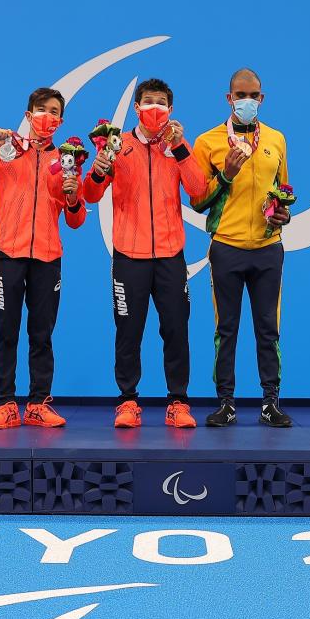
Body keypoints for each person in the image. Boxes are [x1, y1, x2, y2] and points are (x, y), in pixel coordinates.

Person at [0, 87, 85, 429]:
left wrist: (73, 197)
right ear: (29, 115)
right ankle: (5, 405)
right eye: (41, 110)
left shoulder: (67, 160)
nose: (47, 116)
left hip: (47, 256)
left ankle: (38, 404)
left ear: (60, 120)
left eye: (54, 111)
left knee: (42, 334)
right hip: (6, 254)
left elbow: (75, 220)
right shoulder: (6, 151)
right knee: (6, 331)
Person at [82, 78, 207, 428]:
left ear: (171, 109)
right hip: (128, 256)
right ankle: (127, 401)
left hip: (170, 255)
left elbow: (198, 192)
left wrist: (180, 147)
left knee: (176, 330)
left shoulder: (179, 146)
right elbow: (91, 195)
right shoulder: (117, 145)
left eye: (162, 102)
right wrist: (98, 169)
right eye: (149, 101)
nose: (155, 108)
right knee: (128, 330)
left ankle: (178, 402)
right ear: (137, 108)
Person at [191, 68, 294, 427]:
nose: (246, 101)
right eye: (240, 95)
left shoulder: (277, 139)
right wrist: (227, 176)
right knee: (226, 329)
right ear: (228, 98)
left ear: (262, 99)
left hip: (268, 247)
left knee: (269, 328)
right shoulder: (208, 142)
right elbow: (198, 200)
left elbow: (284, 192)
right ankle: (226, 404)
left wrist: (285, 215)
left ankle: (270, 403)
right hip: (226, 248)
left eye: (253, 95)